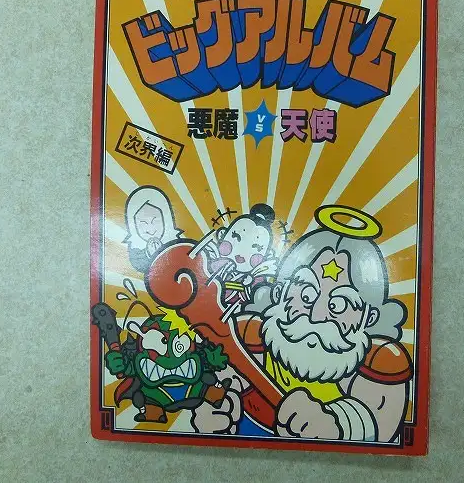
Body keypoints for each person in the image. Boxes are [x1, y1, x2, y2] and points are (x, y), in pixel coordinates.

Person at [192, 205, 413, 443]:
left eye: (338, 305)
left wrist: (338, 425)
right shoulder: (248, 336)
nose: (317, 316)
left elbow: (381, 423)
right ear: (280, 293)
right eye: (306, 295)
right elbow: (218, 383)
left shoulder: (380, 359)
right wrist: (214, 409)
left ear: (368, 318)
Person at [123, 186, 182, 272]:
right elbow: (138, 266)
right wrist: (149, 254)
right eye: (143, 223)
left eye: (155, 221)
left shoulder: (177, 244)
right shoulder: (136, 252)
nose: (151, 230)